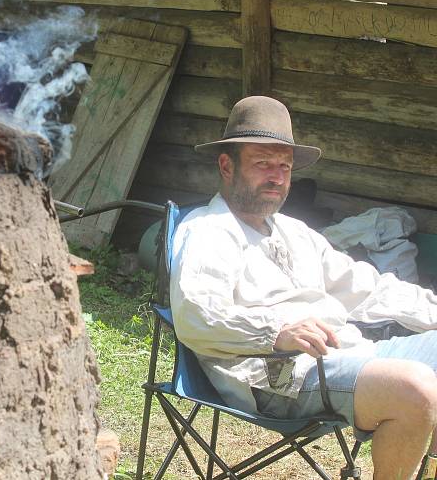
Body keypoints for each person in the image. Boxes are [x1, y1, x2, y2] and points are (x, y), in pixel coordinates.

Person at [169, 95, 437, 480]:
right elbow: (196, 315)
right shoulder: (208, 232)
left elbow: (366, 288)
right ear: (227, 166)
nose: (277, 177)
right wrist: (275, 332)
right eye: (263, 164)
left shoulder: (295, 232)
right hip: (274, 374)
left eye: (285, 166)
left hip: (342, 354)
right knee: (416, 389)